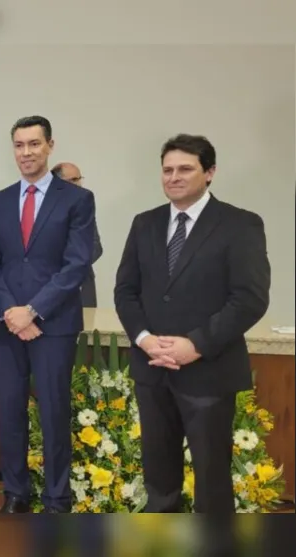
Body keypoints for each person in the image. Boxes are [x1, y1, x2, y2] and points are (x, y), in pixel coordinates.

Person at [114, 133, 270, 512]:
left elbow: (249, 299)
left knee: (212, 478)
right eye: (167, 170)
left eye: (185, 168)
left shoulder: (240, 224)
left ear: (210, 172)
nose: (174, 177)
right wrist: (146, 339)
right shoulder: (144, 223)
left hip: (209, 372)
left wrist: (195, 345)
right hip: (153, 370)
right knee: (159, 477)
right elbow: (125, 291)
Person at [0, 115, 95, 513]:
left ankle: (56, 498)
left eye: (33, 144)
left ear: (49, 145)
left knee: (53, 413)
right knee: (10, 413)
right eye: (19, 145)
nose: (26, 152)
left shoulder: (77, 199)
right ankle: (15, 494)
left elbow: (76, 263)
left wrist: (33, 311)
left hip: (54, 325)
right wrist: (11, 312)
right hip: (9, 324)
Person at [51, 162, 103, 307]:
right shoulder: (42, 210)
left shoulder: (85, 209)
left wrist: (71, 265)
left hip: (82, 285)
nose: (79, 184)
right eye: (74, 180)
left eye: (80, 179)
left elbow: (96, 247)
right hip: (49, 286)